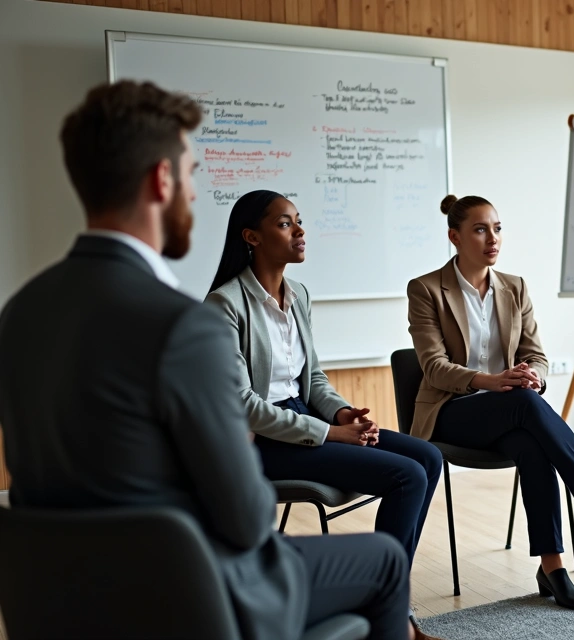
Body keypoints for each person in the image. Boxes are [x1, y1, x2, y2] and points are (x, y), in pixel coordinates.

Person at [0, 80, 413, 640]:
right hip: (189, 595)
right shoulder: (185, 325)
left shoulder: (20, 312)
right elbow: (246, 518)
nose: (194, 195)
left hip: (60, 602)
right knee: (384, 562)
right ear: (161, 180)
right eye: (192, 174)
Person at [206, 190, 444, 640]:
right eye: (284, 223)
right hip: (262, 443)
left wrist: (345, 413)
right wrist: (332, 434)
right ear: (251, 236)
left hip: (306, 421)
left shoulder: (298, 295)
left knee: (428, 458)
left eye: (299, 221)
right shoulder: (225, 306)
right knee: (406, 476)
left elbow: (312, 380)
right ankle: (392, 616)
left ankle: (387, 602)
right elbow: (246, 406)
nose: (299, 231)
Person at [406, 194, 574, 610]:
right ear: (455, 237)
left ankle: (551, 567)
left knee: (532, 443)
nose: (492, 238)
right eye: (480, 229)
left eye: (497, 228)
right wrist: (494, 381)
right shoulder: (427, 289)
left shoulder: (514, 287)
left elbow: (536, 354)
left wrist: (531, 375)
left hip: (510, 412)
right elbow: (434, 368)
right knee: (522, 404)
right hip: (451, 413)